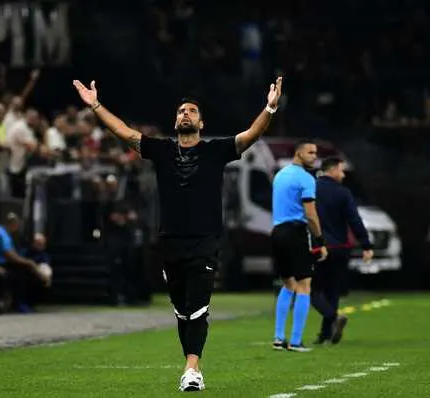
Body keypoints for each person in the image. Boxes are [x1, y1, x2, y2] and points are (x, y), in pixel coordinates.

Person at [73, 76, 283, 392]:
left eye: (192, 111)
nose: (186, 114)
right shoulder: (161, 150)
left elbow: (251, 135)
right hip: (169, 241)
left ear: (201, 121)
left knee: (198, 306)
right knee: (182, 311)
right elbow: (123, 132)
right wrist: (96, 106)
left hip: (205, 241)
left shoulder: (216, 150)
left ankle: (192, 369)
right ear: (175, 120)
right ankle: (191, 364)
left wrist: (269, 107)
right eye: (182, 111)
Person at [271, 140, 328, 353]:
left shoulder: (280, 175)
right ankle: (295, 341)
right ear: (298, 153)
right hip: (295, 233)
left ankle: (278, 337)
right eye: (310, 152)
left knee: (288, 284)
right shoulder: (306, 179)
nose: (314, 156)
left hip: (277, 232)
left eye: (316, 152)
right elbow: (310, 214)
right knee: (305, 285)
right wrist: (320, 240)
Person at [311, 157, 374, 345]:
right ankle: (326, 333)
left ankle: (333, 316)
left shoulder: (311, 189)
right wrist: (366, 245)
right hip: (340, 248)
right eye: (341, 170)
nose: (343, 174)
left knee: (310, 289)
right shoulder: (343, 193)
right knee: (333, 291)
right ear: (331, 170)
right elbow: (354, 220)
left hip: (318, 247)